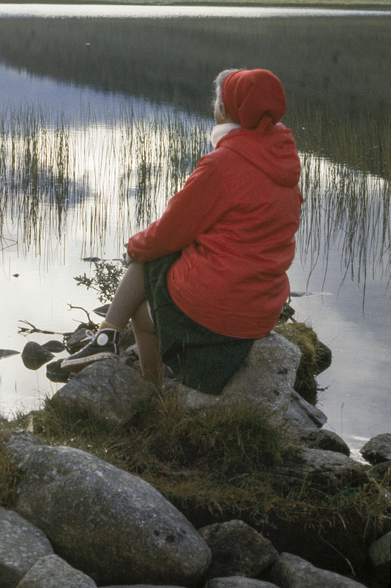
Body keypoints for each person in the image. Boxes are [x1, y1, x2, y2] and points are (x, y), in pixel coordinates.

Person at [60, 67, 303, 392]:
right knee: (162, 252)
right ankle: (108, 338)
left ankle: (151, 388)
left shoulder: (223, 164)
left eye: (217, 101)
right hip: (261, 309)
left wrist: (134, 248)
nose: (213, 107)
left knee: (146, 296)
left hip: (221, 309)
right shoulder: (282, 161)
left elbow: (169, 232)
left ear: (227, 111)